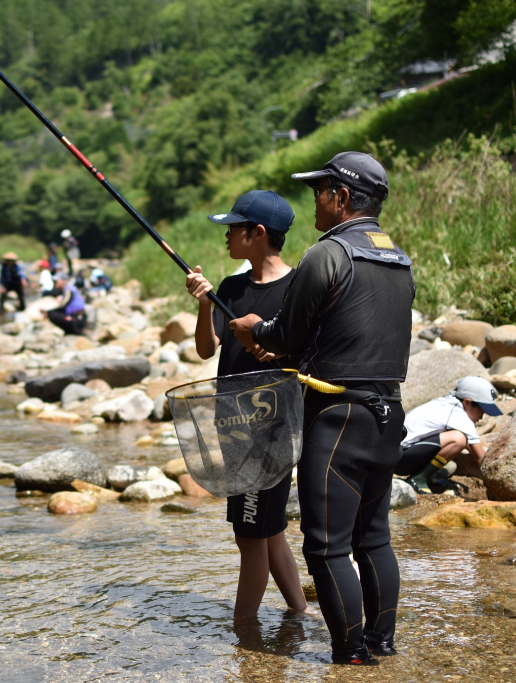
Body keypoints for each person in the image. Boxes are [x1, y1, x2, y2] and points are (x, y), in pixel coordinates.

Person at [231, 152, 415, 666]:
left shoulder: (326, 254)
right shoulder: (397, 258)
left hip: (337, 418)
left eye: (320, 191)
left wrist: (253, 331)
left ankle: (352, 656)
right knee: (374, 537)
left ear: (340, 197)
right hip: (387, 415)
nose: (314, 201)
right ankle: (381, 645)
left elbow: (286, 334)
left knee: (328, 547)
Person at [185, 190, 307, 624]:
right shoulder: (233, 288)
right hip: (232, 425)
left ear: (258, 234)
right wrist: (204, 304)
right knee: (268, 530)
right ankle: (299, 612)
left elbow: (303, 355)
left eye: (233, 227)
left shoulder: (297, 289)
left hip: (269, 432)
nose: (226, 235)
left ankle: (244, 635)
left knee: (250, 536)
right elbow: (205, 349)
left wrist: (270, 351)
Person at [398, 376, 501, 494]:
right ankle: (419, 478)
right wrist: (496, 484)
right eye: (481, 411)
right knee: (459, 439)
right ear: (467, 402)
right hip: (401, 459)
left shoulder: (447, 403)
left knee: (461, 438)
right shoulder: (458, 414)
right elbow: (480, 458)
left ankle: (426, 475)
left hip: (398, 454)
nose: (481, 417)